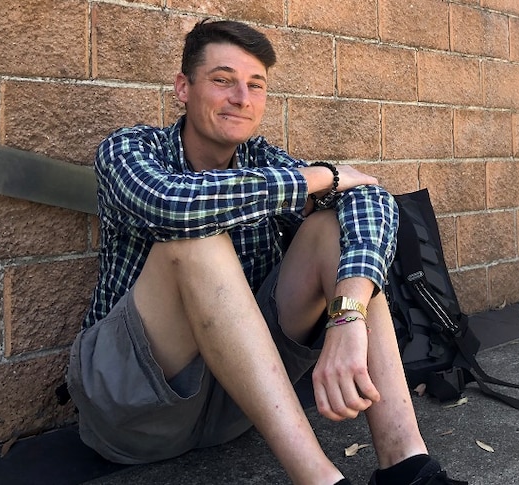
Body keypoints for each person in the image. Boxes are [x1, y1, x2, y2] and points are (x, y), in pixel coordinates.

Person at [66, 19, 465, 485]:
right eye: (222, 80)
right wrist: (315, 178)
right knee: (197, 240)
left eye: (255, 85)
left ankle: (406, 467)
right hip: (131, 407)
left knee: (336, 229)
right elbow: (171, 203)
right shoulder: (130, 148)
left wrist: (348, 316)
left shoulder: (262, 161)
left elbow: (371, 197)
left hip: (237, 407)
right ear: (183, 87)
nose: (242, 97)